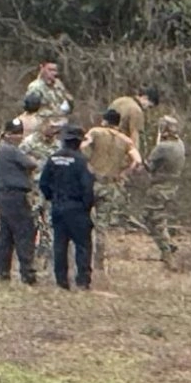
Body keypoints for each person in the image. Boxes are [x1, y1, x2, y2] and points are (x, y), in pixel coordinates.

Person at [82, 108, 142, 272]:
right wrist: (124, 173)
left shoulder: (96, 132)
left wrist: (85, 166)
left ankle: (82, 259)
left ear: (104, 121)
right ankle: (99, 263)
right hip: (111, 185)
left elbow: (81, 146)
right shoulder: (125, 140)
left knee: (82, 221)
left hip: (91, 183)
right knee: (102, 226)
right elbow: (137, 161)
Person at [39, 125, 95, 290]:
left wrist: (52, 198)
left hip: (58, 206)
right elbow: (88, 187)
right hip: (77, 208)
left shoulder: (53, 158)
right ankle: (83, 281)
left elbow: (43, 183)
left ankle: (61, 281)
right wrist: (86, 206)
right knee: (83, 245)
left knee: (60, 245)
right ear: (78, 142)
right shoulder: (81, 162)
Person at [0, 118, 38, 285]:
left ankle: (3, 272)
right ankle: (27, 273)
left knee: (6, 234)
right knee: (24, 232)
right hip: (15, 196)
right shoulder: (10, 150)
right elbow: (31, 163)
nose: (19, 137)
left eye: (20, 133)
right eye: (14, 134)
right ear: (6, 134)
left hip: (4, 196)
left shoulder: (1, 149)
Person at [20, 116, 67, 265]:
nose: (54, 130)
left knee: (49, 222)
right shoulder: (29, 142)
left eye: (56, 128)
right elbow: (19, 161)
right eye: (51, 127)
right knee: (30, 221)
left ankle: (47, 255)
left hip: (51, 189)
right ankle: (27, 254)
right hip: (32, 188)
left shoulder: (58, 146)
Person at [142, 115, 186, 265]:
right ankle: (167, 245)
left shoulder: (163, 147)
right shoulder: (180, 144)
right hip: (172, 187)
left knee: (151, 219)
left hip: (159, 188)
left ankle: (166, 250)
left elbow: (149, 166)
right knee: (161, 218)